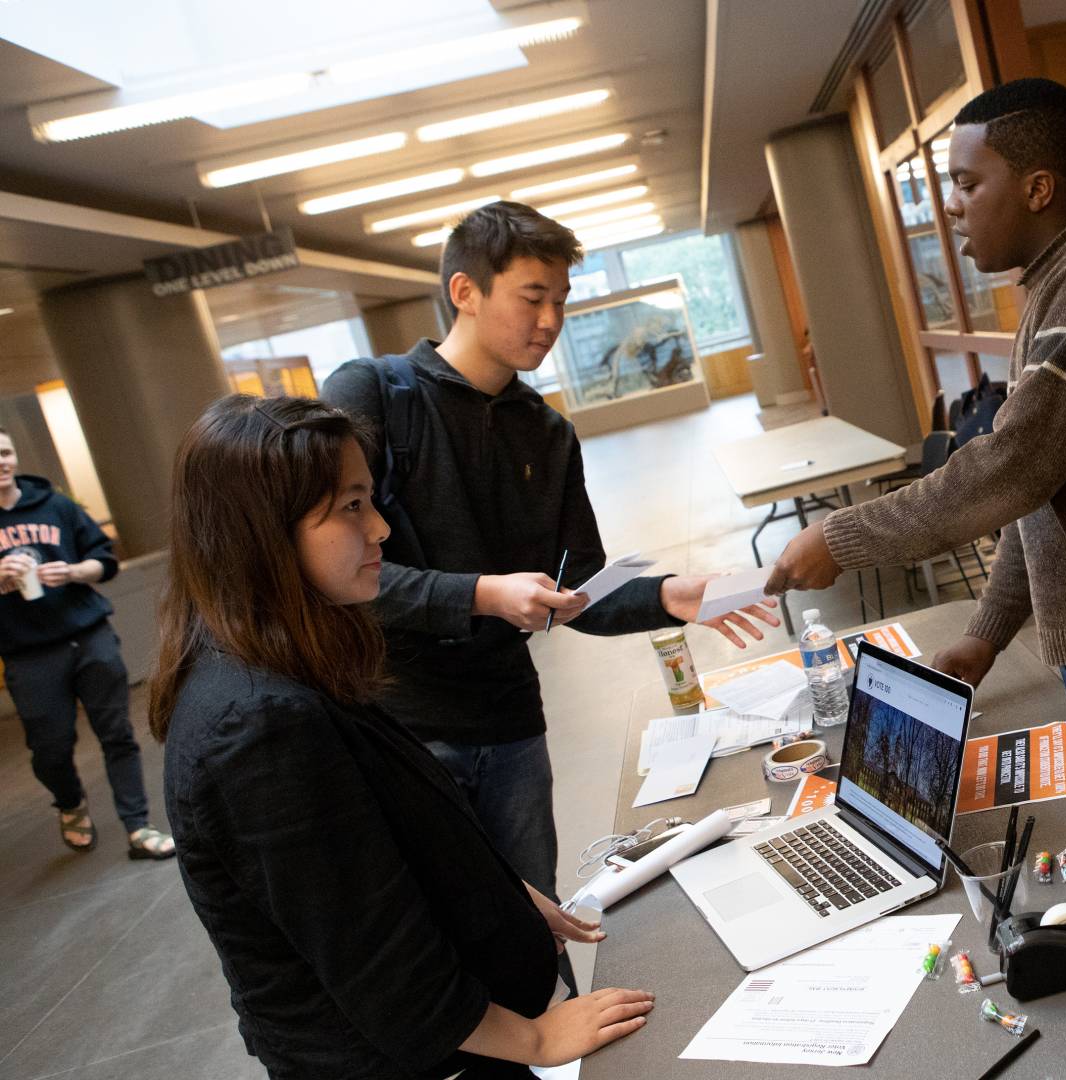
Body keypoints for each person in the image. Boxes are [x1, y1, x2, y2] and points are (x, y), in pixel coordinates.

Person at [153, 395, 654, 1078]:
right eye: (351, 507)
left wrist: (500, 891)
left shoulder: (283, 663)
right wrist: (536, 1042)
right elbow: (374, 959)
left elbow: (381, 844)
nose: (381, 528)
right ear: (264, 529)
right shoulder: (257, 724)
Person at [322, 200, 778, 918]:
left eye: (560, 301)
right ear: (465, 291)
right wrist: (482, 594)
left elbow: (578, 588)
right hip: (398, 726)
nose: (550, 321)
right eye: (532, 298)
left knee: (535, 917)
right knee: (440, 927)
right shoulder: (372, 395)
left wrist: (669, 594)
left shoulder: (547, 432)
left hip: (509, 725)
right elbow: (331, 574)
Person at [766, 77, 1066, 763]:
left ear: (1037, 188)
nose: (951, 206)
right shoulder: (1059, 278)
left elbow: (1014, 468)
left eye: (966, 183)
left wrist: (841, 537)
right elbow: (1040, 486)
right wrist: (987, 632)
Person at [0, 425, 173, 860]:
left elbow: (104, 562)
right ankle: (69, 802)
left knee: (117, 734)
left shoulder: (55, 506)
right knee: (50, 748)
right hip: (28, 653)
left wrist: (74, 572)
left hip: (89, 635)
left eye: (5, 453)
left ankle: (138, 826)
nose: (1, 463)